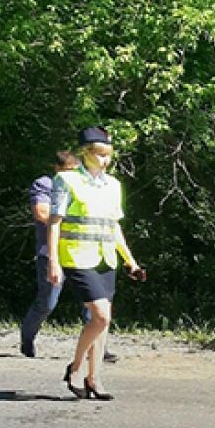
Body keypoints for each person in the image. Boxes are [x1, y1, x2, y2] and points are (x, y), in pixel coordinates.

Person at [46, 126, 142, 400]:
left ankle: (94, 378)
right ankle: (76, 369)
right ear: (85, 153)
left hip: (105, 258)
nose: (105, 159)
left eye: (108, 154)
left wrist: (131, 261)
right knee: (101, 316)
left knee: (102, 323)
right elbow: (55, 223)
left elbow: (113, 227)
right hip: (77, 256)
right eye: (100, 154)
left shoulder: (113, 185)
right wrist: (54, 261)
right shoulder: (66, 180)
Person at [19, 151, 79, 357]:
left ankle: (98, 347)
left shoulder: (83, 187)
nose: (72, 175)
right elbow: (42, 213)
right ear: (57, 169)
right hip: (51, 252)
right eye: (68, 171)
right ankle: (27, 335)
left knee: (93, 300)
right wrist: (73, 226)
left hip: (81, 251)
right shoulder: (44, 184)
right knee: (47, 302)